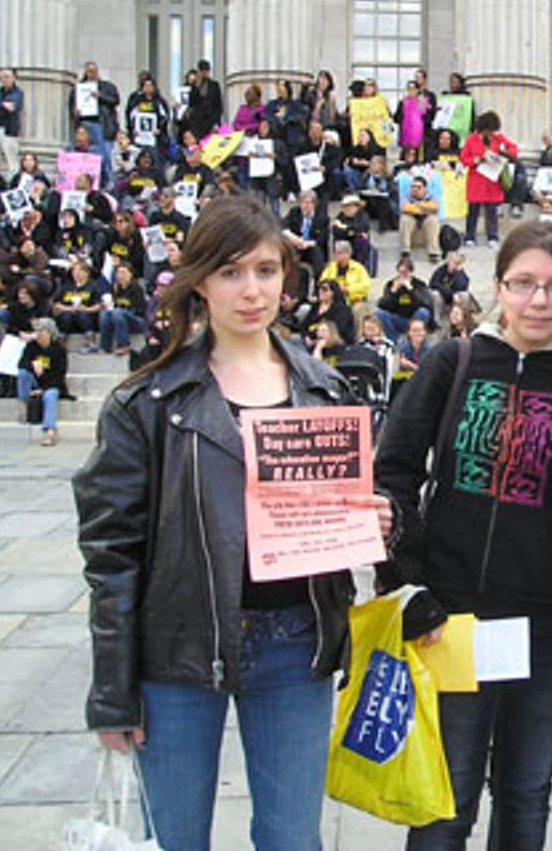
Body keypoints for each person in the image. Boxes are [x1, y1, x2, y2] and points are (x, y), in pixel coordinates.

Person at [72, 194, 397, 849]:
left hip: (295, 642)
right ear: (198, 281)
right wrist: (113, 690)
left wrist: (373, 521)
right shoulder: (145, 402)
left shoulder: (325, 391)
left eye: (266, 270)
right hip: (178, 645)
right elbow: (111, 554)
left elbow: (339, 519)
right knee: (175, 838)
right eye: (230, 272)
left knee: (292, 839)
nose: (252, 291)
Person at [376, 221, 552, 850]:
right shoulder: (455, 360)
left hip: (549, 628)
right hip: (452, 618)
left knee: (524, 792)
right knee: (445, 798)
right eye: (523, 284)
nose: (538, 300)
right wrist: (407, 585)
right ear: (499, 286)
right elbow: (394, 472)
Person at [459, 110, 517, 249]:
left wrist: (504, 153)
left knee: (492, 211)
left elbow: (513, 149)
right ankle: (470, 237)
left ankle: (492, 237)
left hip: (492, 180)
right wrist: (476, 160)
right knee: (473, 210)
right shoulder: (471, 139)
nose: (491, 133)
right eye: (488, 131)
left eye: (492, 130)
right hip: (476, 179)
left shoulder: (499, 138)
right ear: (482, 129)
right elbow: (463, 158)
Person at [17, 316, 68, 445]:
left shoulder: (59, 350)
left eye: (41, 331)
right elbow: (22, 364)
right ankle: (24, 405)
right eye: (37, 331)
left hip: (52, 384)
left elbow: (59, 375)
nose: (38, 334)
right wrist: (32, 364)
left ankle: (49, 431)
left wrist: (43, 389)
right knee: (23, 374)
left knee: (50, 396)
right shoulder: (31, 346)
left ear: (50, 333)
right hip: (34, 382)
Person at [68, 61, 121, 187]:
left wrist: (100, 96)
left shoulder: (107, 87)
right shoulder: (78, 88)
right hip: (85, 123)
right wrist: (75, 112)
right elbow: (71, 105)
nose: (92, 74)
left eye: (94, 71)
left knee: (105, 156)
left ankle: (108, 182)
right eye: (89, 71)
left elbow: (115, 100)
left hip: (103, 125)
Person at [374, 253, 435, 343]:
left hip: (413, 318)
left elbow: (425, 304)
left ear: (411, 272)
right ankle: (392, 341)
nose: (402, 276)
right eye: (400, 272)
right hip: (398, 318)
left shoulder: (419, 285)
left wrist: (411, 290)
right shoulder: (391, 284)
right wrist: (393, 291)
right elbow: (382, 305)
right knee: (379, 313)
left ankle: (414, 339)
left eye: (405, 273)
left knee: (423, 312)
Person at [0, 68, 24, 177]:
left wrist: (0, 105)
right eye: (2, 77)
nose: (4, 79)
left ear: (14, 78)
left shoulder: (18, 93)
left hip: (9, 129)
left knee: (12, 160)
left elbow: (13, 106)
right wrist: (3, 105)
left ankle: (13, 181)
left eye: (7, 77)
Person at [400, 174, 441, 263]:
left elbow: (435, 207)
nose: (415, 190)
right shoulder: (406, 196)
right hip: (412, 232)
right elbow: (405, 208)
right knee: (405, 219)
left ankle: (433, 253)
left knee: (433, 220)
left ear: (425, 189)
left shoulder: (431, 196)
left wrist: (418, 205)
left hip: (426, 233)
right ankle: (405, 252)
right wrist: (425, 209)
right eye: (413, 187)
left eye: (418, 187)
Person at [186, 59, 224, 141]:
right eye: (203, 71)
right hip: (198, 123)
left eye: (207, 71)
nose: (205, 73)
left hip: (211, 121)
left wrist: (216, 123)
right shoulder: (195, 86)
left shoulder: (214, 85)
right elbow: (191, 103)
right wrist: (196, 86)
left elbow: (218, 105)